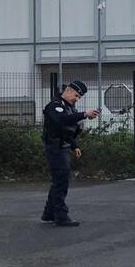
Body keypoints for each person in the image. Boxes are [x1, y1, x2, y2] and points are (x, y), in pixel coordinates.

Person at [41, 80, 100, 226]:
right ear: (67, 90)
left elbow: (69, 130)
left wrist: (75, 146)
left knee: (59, 181)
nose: (76, 99)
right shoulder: (55, 106)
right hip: (55, 148)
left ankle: (49, 213)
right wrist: (84, 114)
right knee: (61, 181)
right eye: (76, 95)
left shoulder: (69, 108)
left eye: (79, 97)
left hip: (64, 147)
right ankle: (61, 216)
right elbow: (61, 121)